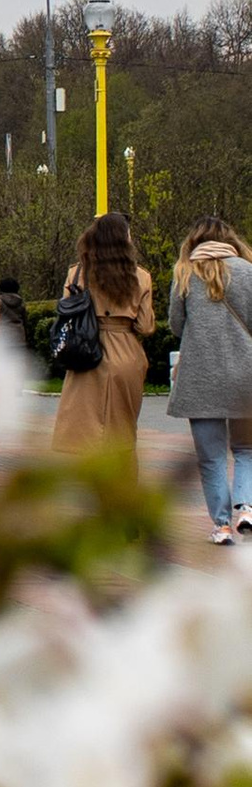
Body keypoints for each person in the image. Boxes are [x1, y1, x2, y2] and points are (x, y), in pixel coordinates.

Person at [165, 217, 252, 542]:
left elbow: (176, 325)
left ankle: (222, 526)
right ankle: (246, 508)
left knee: (211, 458)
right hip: (246, 375)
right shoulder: (247, 270)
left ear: (195, 242)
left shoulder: (185, 273)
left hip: (200, 376)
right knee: (246, 450)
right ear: (230, 240)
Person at [49, 212, 156, 467]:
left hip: (86, 349)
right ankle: (124, 489)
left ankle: (93, 484)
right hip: (126, 354)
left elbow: (65, 311)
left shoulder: (77, 274)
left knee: (85, 430)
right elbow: (145, 325)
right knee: (122, 432)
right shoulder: (141, 276)